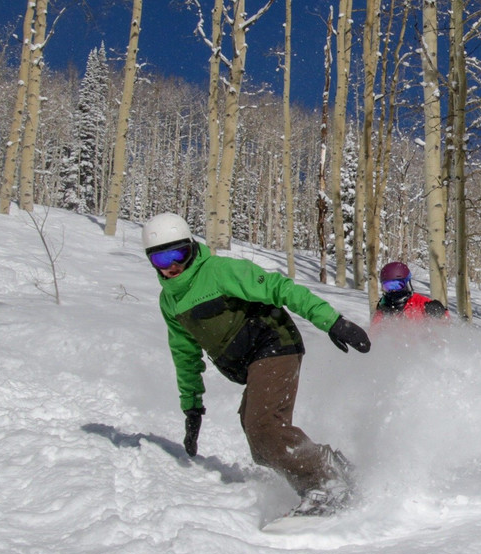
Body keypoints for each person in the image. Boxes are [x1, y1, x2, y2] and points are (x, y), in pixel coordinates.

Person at [142, 212, 372, 516]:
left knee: (263, 426)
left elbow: (281, 288)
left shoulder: (220, 271)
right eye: (161, 259)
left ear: (191, 247)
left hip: (275, 344)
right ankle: (330, 464)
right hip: (252, 363)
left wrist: (331, 322)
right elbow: (184, 353)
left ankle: (325, 486)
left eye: (179, 253)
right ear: (151, 260)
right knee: (260, 443)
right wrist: (192, 407)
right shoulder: (169, 301)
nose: (172, 265)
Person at [371, 261, 449, 326]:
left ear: (407, 284)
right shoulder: (383, 309)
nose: (393, 291)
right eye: (388, 286)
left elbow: (446, 325)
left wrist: (441, 314)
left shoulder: (420, 303)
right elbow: (374, 335)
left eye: (398, 285)